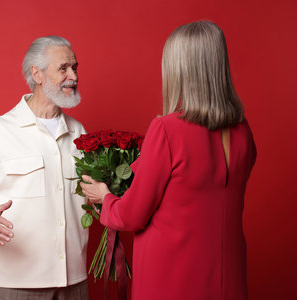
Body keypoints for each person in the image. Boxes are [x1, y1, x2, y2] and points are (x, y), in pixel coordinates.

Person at [81, 21, 256, 300]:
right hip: (228, 278)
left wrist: (106, 199)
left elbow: (133, 214)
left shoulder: (168, 129)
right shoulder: (243, 130)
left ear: (178, 69)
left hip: (173, 279)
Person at [0, 36, 89, 300]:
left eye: (75, 67)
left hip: (75, 282)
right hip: (16, 285)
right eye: (64, 68)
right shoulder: (0, 131)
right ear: (38, 74)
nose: (73, 76)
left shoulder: (79, 133)